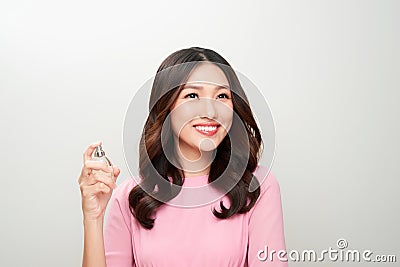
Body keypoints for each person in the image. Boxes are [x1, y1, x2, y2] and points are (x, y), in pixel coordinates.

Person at [78, 47, 287, 266]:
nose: (210, 111)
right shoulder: (131, 197)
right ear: (166, 106)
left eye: (222, 96)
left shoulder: (257, 186)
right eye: (192, 95)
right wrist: (93, 218)